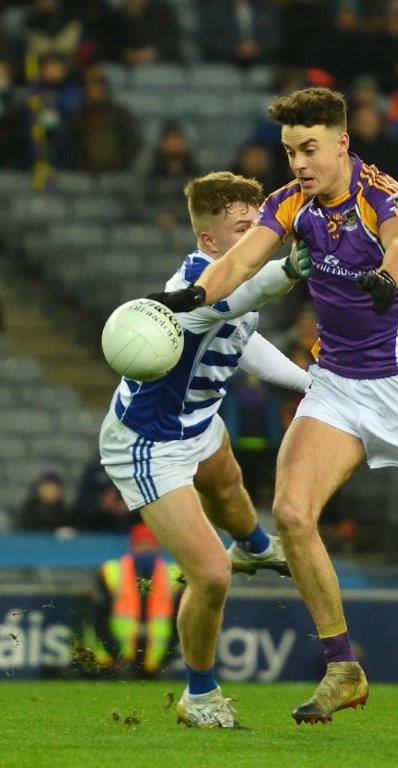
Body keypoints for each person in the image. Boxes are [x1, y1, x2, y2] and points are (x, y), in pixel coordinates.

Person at [147, 87, 398, 738]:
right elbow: (243, 259)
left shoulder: (381, 194)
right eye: (289, 151)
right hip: (336, 382)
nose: (299, 163)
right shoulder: (291, 203)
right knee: (289, 513)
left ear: (342, 142)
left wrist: (389, 277)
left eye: (309, 149)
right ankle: (342, 665)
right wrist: (189, 296)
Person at [101, 171, 312, 728]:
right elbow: (244, 295)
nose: (258, 237)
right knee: (212, 576)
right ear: (209, 242)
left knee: (227, 484)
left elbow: (243, 337)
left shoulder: (230, 283)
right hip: (150, 444)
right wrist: (290, 269)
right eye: (245, 229)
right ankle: (199, 694)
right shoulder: (198, 284)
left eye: (260, 226)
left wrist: (305, 383)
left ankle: (255, 545)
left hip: (196, 420)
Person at [84, 523, 182, 678]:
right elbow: (99, 620)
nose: (147, 549)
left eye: (151, 544)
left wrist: (166, 658)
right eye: (142, 544)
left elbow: (179, 625)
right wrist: (117, 656)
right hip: (114, 662)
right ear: (132, 546)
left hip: (156, 660)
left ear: (159, 547)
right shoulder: (111, 571)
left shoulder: (174, 574)